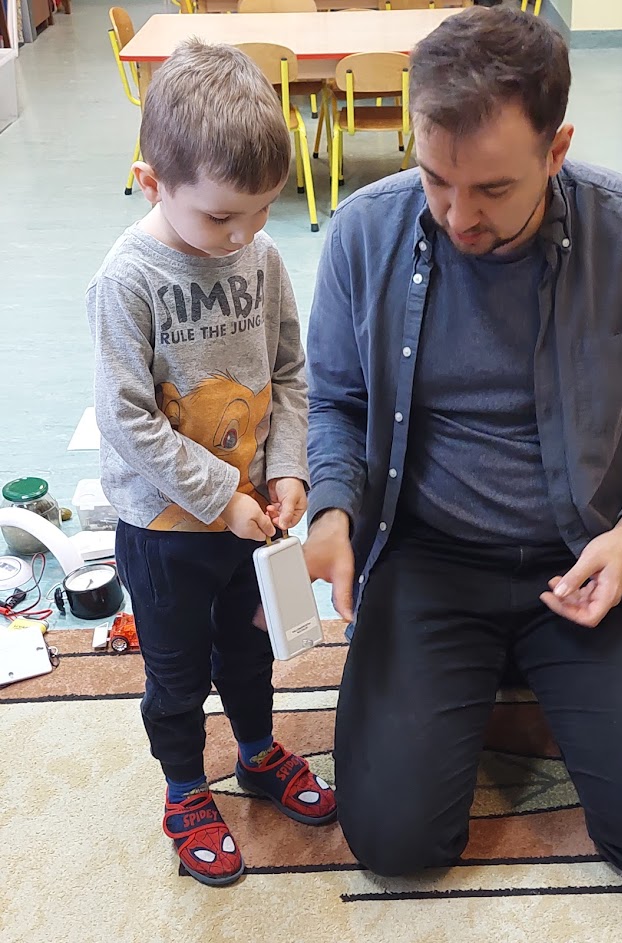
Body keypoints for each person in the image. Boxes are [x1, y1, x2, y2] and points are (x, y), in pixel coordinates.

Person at [304, 7, 622, 878]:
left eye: (491, 188)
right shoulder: (364, 232)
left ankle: (513, 673)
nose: (457, 216)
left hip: (584, 555)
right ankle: (475, 675)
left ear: (555, 151)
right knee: (395, 845)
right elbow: (334, 398)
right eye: (434, 178)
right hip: (429, 556)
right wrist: (332, 508)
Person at [87, 41, 335, 888]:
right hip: (165, 531)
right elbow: (124, 417)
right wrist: (219, 494)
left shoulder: (261, 259)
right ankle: (185, 788)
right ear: (151, 183)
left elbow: (292, 373)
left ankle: (257, 751)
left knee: (249, 649)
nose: (243, 235)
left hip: (250, 517)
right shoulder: (127, 280)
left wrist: (290, 467)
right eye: (221, 217)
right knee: (177, 671)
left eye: (261, 211)